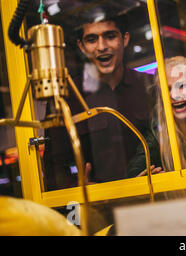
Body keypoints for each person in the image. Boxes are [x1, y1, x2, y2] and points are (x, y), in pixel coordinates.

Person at [43, 14, 161, 190]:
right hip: (97, 207)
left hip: (154, 196)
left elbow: (172, 141)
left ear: (125, 39)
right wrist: (77, 187)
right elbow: (54, 165)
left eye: (110, 36)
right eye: (91, 40)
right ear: (81, 47)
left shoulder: (150, 86)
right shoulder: (66, 97)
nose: (102, 46)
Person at [127, 56, 186, 176]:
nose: (174, 95)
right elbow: (135, 170)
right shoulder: (158, 136)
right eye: (167, 89)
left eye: (181, 86)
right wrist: (140, 181)